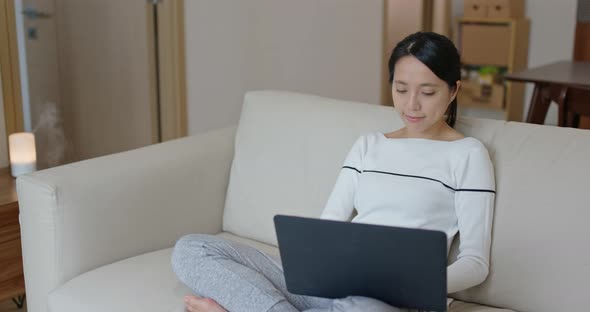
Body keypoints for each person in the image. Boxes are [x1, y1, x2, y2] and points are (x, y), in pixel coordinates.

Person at [171, 31, 495, 312]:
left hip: (394, 301)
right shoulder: (369, 146)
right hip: (333, 288)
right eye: (401, 89)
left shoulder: (467, 155)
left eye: (427, 92)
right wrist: (318, 267)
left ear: (453, 91)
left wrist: (404, 281)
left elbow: (475, 264)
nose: (412, 105)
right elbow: (328, 229)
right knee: (192, 248)